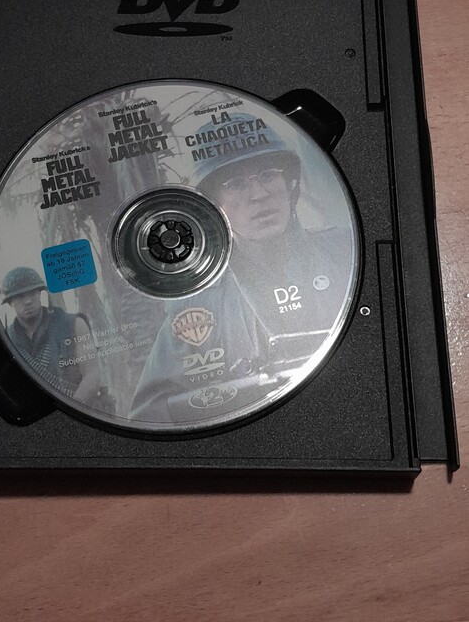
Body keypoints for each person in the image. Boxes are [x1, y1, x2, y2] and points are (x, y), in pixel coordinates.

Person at [130, 114, 355, 428]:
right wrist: (240, 395)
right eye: (235, 183)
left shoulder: (345, 250)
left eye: (268, 175)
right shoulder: (198, 305)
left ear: (289, 184)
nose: (258, 194)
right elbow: (149, 415)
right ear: (214, 204)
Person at [0, 266, 107, 407]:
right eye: (20, 297)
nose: (28, 301)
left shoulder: (73, 324)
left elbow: (92, 375)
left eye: (32, 293)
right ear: (10, 302)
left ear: (40, 293)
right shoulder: (6, 339)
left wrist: (71, 407)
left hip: (79, 407)